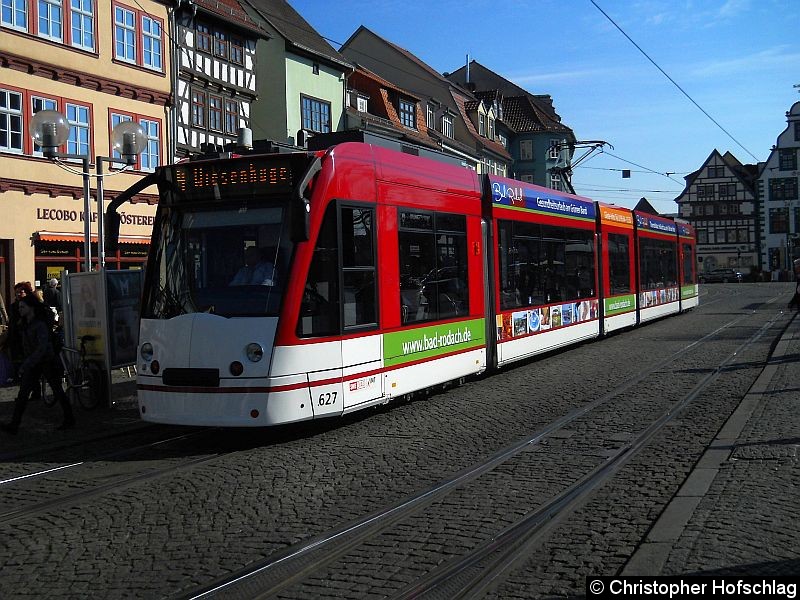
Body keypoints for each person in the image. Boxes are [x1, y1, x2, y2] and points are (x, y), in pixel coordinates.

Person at [0, 294, 74, 434]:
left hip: (46, 360)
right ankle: (14, 424)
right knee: (23, 394)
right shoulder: (25, 323)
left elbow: (42, 347)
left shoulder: (39, 324)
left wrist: (27, 362)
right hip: (34, 362)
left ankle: (69, 418)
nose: (20, 310)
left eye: (23, 307)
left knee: (57, 390)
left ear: (31, 308)